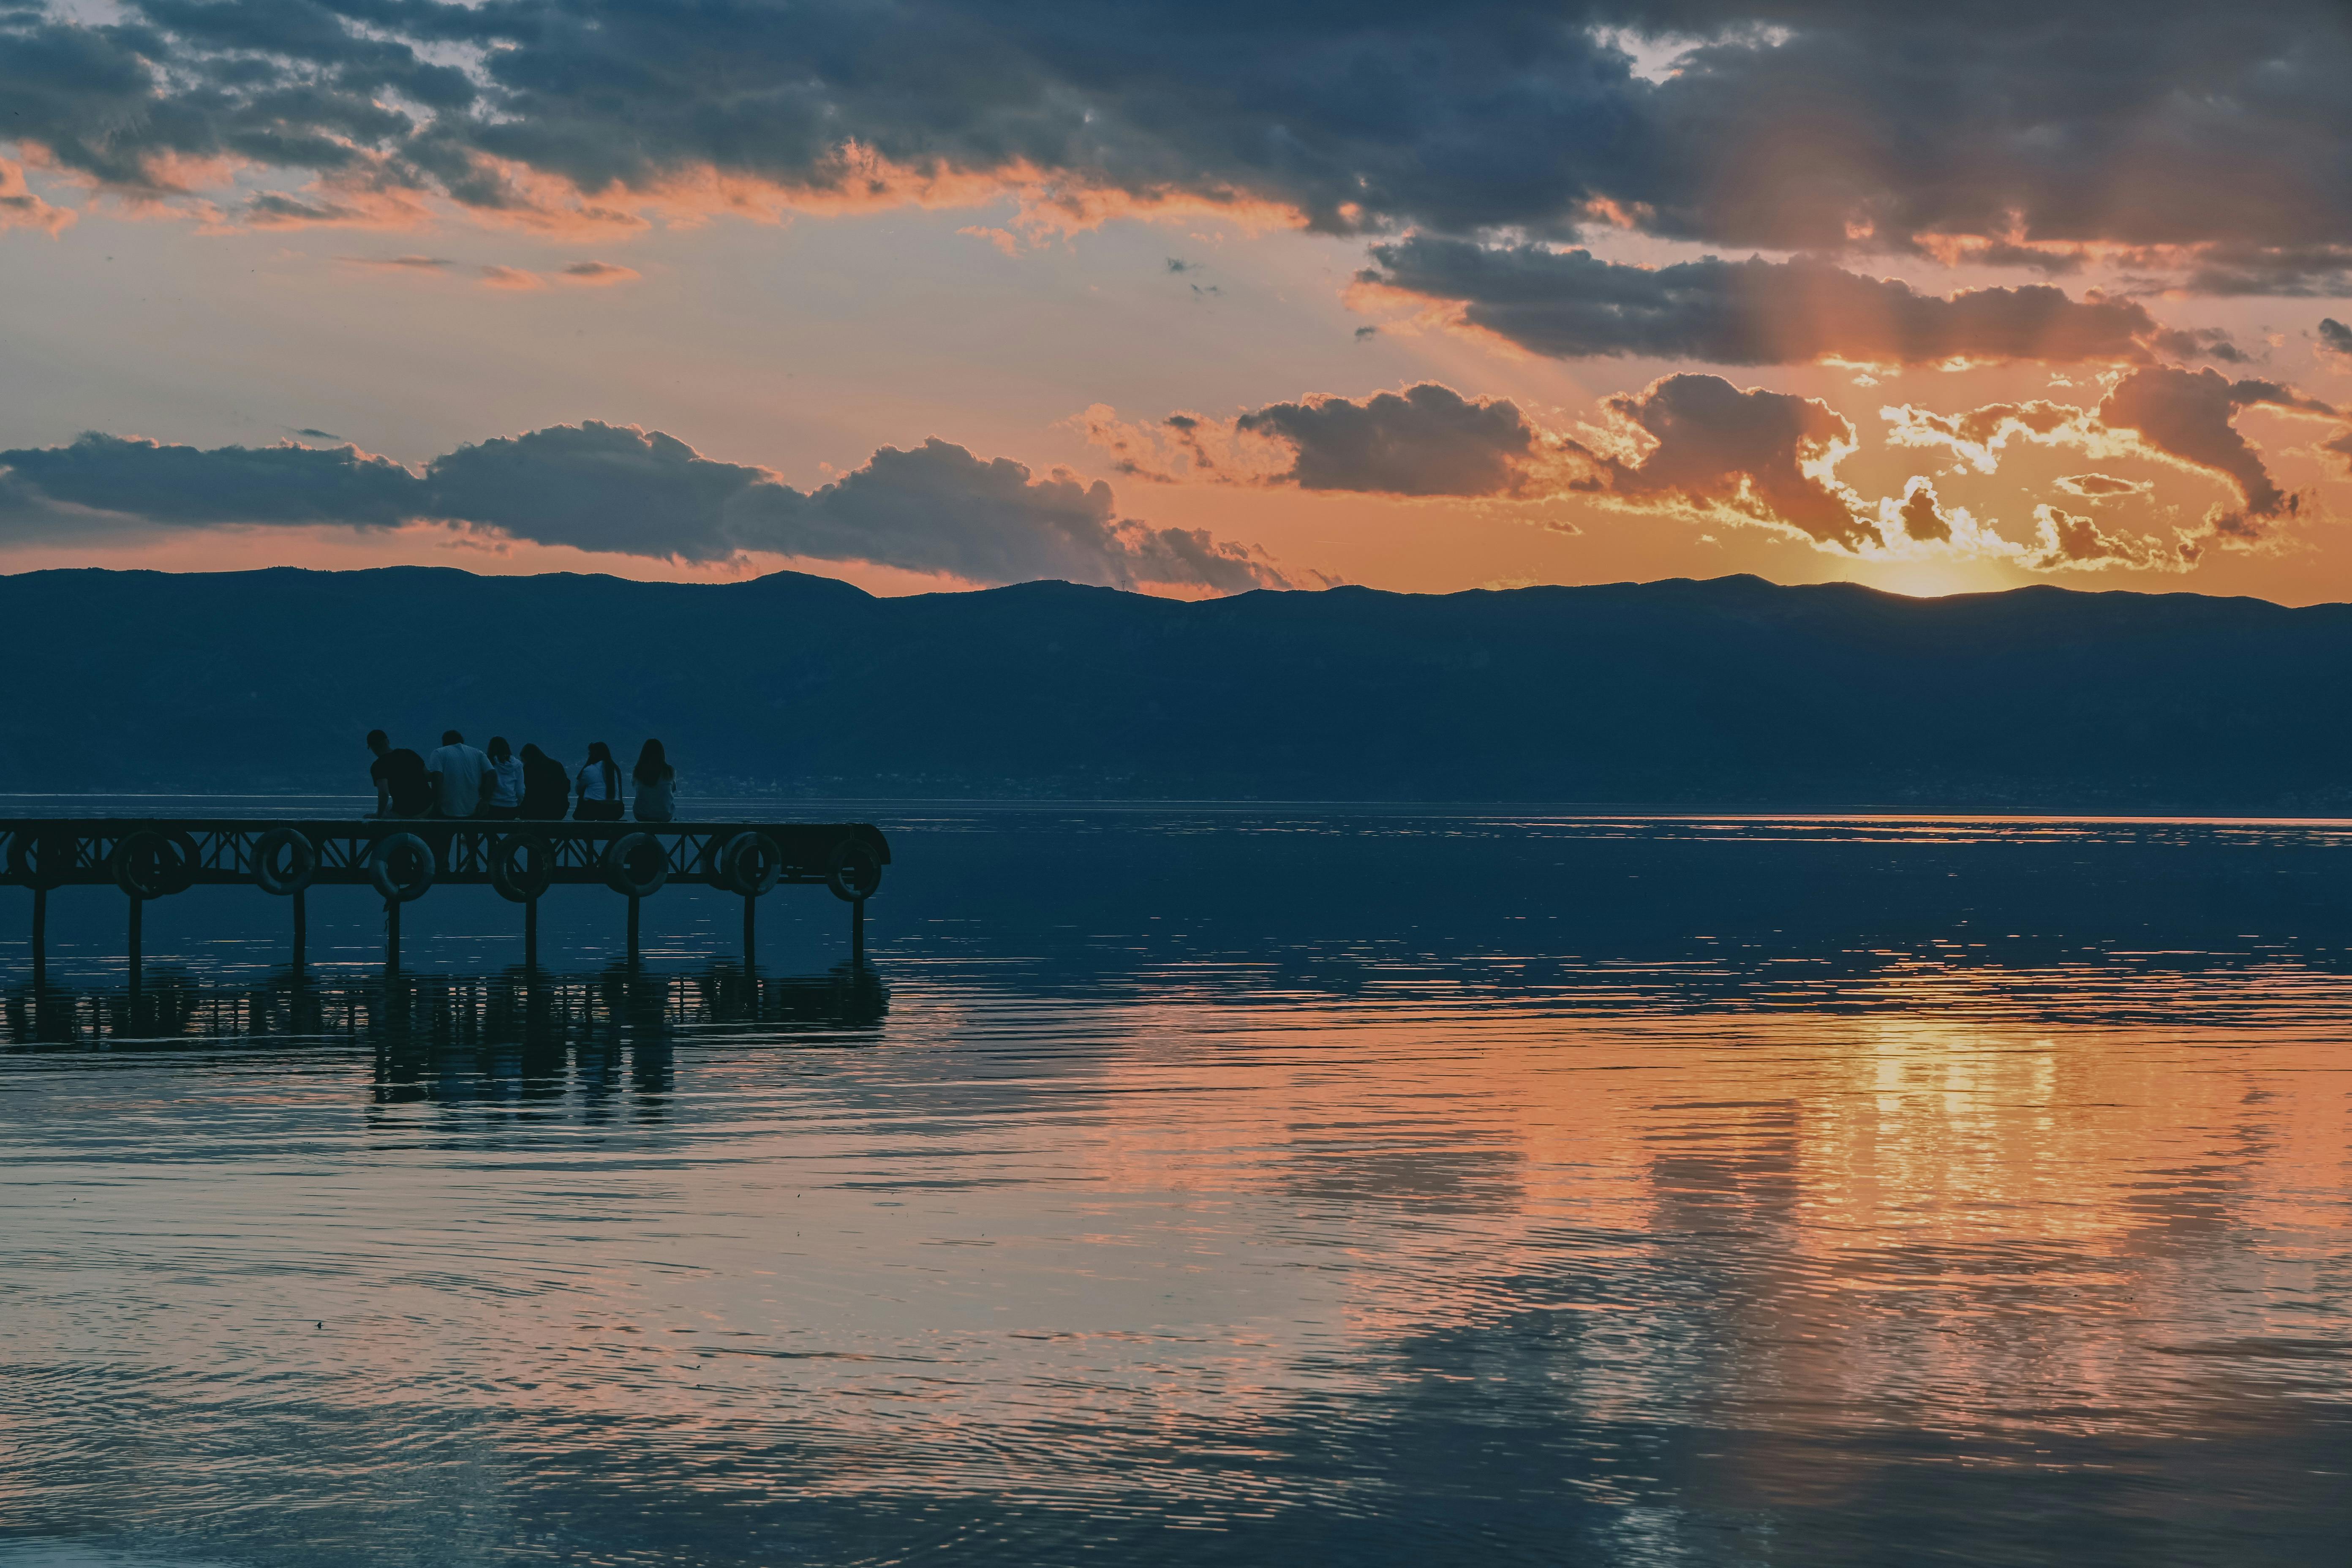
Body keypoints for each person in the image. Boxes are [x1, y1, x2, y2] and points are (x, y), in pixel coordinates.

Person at [425, 729, 495, 819]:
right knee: (471, 833)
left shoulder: (439, 753)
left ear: (444, 742)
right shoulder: (478, 753)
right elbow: (492, 774)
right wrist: (485, 800)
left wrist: (437, 804)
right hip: (473, 809)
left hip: (447, 809)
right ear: (462, 741)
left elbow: (437, 777)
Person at [367, 730, 430, 819]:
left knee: (379, 812)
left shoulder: (378, 766)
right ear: (388, 742)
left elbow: (384, 793)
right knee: (390, 807)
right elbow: (428, 776)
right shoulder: (409, 753)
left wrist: (378, 816)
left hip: (406, 813)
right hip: (428, 807)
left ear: (372, 748)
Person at [574, 740, 624, 821]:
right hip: (617, 810)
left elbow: (578, 790)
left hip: (595, 810)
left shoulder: (590, 769)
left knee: (584, 791)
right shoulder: (615, 769)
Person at [632, 739, 678, 822]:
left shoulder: (638, 770)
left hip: (641, 815)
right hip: (665, 816)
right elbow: (673, 789)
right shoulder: (669, 771)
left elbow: (635, 786)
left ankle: (648, 835)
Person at [519, 743, 569, 820]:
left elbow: (525, 792)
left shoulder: (528, 770)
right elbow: (566, 787)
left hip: (534, 812)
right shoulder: (556, 765)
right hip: (558, 810)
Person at [481, 737, 524, 819]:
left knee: (489, 830)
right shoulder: (518, 765)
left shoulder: (489, 763)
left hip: (492, 806)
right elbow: (520, 791)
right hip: (511, 807)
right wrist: (518, 804)